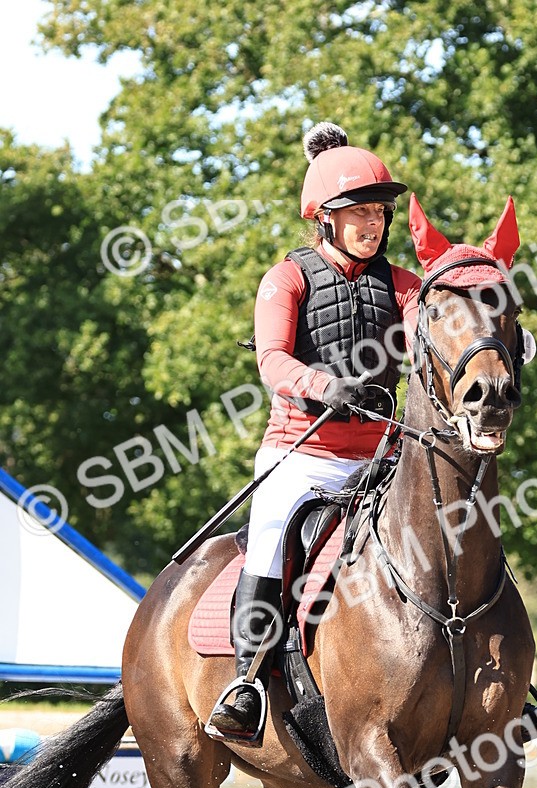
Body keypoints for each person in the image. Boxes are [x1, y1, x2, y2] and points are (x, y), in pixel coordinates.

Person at [208, 122, 422, 741]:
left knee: (458, 517)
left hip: (384, 459)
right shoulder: (287, 278)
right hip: (303, 454)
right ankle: (246, 679)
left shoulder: (405, 286)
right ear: (323, 218)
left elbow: (441, 333)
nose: (373, 224)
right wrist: (329, 387)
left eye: (380, 212)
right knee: (273, 528)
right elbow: (272, 362)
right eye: (357, 213)